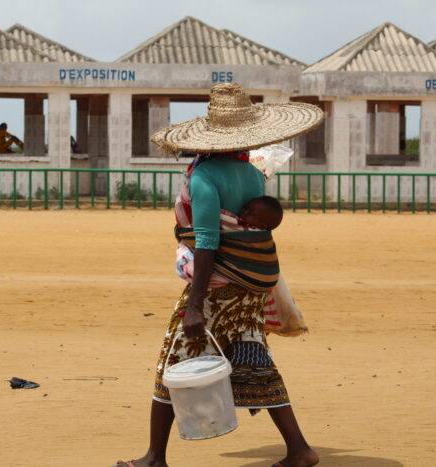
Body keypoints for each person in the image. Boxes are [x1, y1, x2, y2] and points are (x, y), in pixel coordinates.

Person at [117, 83, 323, 467]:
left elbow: (209, 241)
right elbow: (250, 227)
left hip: (216, 286)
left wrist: (195, 306)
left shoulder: (204, 177)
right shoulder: (252, 174)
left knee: (173, 359)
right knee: (254, 359)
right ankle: (299, 448)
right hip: (249, 288)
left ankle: (154, 458)